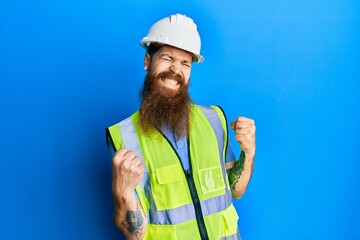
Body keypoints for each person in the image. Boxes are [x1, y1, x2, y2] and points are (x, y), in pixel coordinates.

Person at [106, 13, 256, 240]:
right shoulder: (125, 137)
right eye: (167, 58)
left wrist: (248, 152)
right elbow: (135, 234)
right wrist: (123, 191)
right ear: (148, 61)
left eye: (185, 63)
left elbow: (236, 189)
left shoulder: (214, 120)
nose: (176, 69)